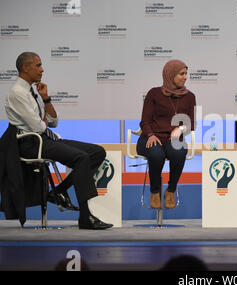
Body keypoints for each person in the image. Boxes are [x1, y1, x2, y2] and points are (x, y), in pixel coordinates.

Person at [4, 52, 113, 230]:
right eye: (38, 65)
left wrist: (46, 98)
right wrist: (43, 123)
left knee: (97, 152)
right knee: (81, 158)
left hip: (45, 138)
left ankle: (58, 191)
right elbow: (37, 126)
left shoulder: (34, 91)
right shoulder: (17, 93)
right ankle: (86, 218)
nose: (42, 69)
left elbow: (53, 122)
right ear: (25, 67)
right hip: (31, 144)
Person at [137, 60, 196, 209]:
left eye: (186, 74)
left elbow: (191, 123)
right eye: (181, 74)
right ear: (170, 75)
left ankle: (171, 189)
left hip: (172, 139)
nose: (185, 77)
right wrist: (150, 134)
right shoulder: (154, 93)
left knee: (179, 152)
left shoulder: (190, 97)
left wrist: (181, 130)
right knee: (156, 154)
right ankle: (155, 191)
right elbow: (145, 121)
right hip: (150, 138)